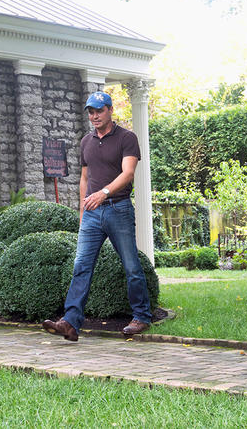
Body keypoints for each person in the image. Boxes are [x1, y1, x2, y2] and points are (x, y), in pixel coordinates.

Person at [42, 91, 152, 342]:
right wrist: (82, 213)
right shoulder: (86, 142)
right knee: (81, 266)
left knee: (131, 265)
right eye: (90, 111)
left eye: (99, 110)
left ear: (110, 110)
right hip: (91, 214)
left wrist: (103, 193)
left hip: (118, 208)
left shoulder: (127, 138)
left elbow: (128, 173)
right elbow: (84, 178)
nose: (94, 116)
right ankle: (70, 322)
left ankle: (141, 316)